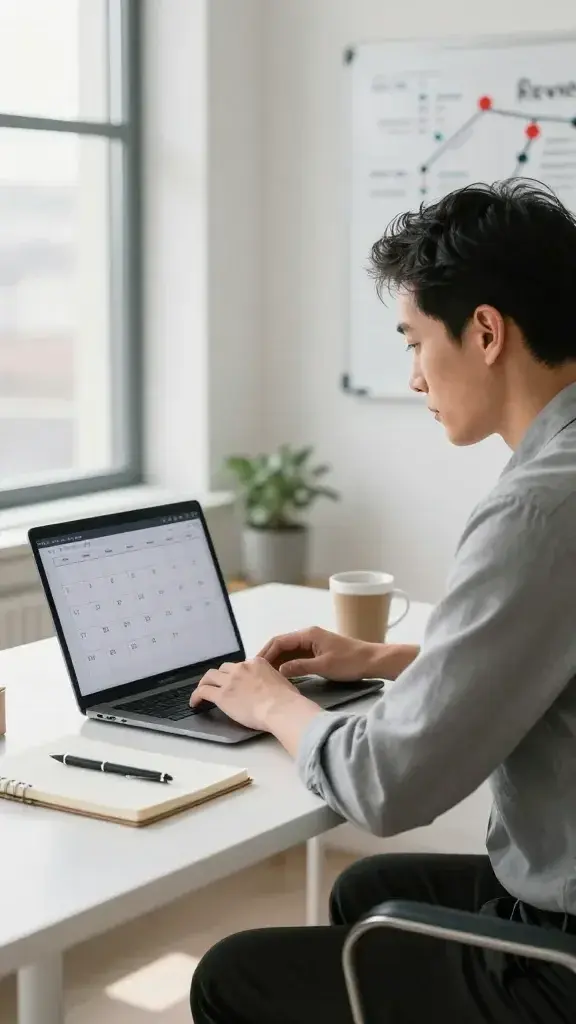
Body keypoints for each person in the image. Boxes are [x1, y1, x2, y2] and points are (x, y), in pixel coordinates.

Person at [190, 180, 576, 1023]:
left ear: (484, 331)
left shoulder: (542, 506)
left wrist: (272, 702)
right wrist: (387, 659)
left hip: (563, 968)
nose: (411, 378)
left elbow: (386, 785)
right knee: (368, 888)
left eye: (413, 342)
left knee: (230, 976)